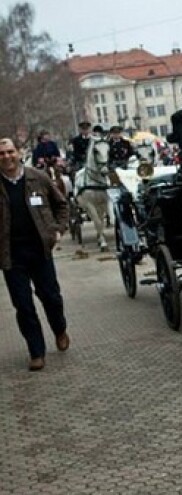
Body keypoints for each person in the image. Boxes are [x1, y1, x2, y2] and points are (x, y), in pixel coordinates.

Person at [0, 137, 70, 371]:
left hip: (40, 250)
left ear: (18, 153)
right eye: (1, 154)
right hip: (11, 255)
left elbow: (61, 205)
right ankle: (36, 351)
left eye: (10, 152)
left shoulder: (37, 178)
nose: (6, 157)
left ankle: (59, 329)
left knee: (51, 297)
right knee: (23, 305)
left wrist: (58, 230)